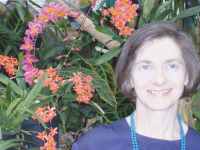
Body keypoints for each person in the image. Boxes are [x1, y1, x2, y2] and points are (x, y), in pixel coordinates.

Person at [72, 22, 200, 150]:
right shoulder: (95, 145)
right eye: (146, 67)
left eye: (172, 66)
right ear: (129, 77)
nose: (159, 79)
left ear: (187, 76)